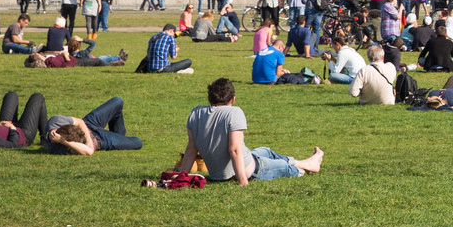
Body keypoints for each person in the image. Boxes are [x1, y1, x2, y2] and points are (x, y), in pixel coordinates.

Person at [175, 77, 324, 183]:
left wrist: (183, 175)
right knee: (289, 169)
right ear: (232, 100)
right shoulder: (234, 113)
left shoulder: (196, 113)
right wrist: (243, 180)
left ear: (209, 98)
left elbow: (191, 150)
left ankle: (303, 161)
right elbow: (234, 150)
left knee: (265, 150)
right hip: (251, 170)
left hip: (218, 172)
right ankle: (308, 164)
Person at [44, 97, 145, 155]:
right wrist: (63, 141)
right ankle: (119, 139)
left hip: (88, 123)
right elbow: (89, 151)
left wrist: (87, 139)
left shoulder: (54, 122)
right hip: (100, 139)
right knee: (137, 142)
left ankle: (119, 137)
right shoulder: (58, 148)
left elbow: (80, 122)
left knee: (117, 101)